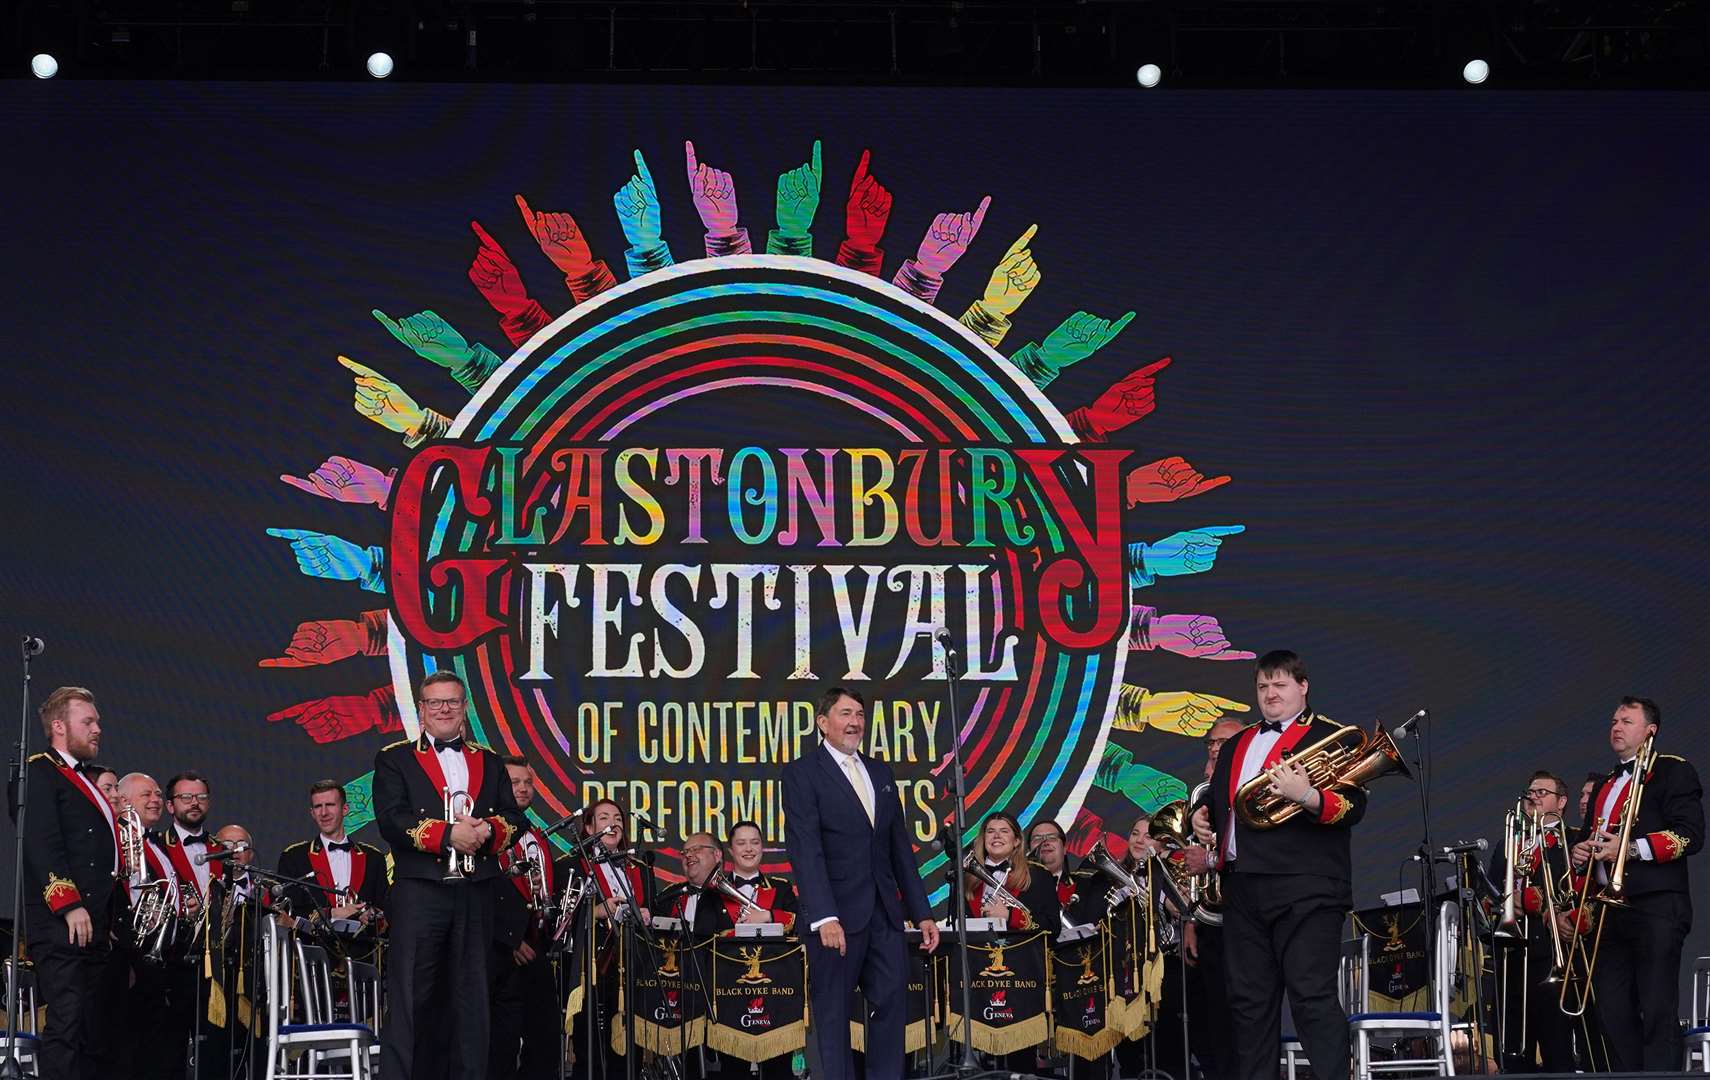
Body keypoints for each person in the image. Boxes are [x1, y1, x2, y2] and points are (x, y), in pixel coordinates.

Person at [1191, 650, 1366, 1080]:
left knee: (1311, 996)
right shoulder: (1236, 743)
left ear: (1303, 687)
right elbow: (1220, 806)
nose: (1270, 693)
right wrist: (1199, 817)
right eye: (1263, 686)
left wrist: (1305, 795)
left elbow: (1354, 806)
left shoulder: (1335, 736)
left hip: (1307, 887)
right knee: (1249, 1005)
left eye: (1280, 684)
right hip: (1243, 889)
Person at [373, 671, 526, 1080]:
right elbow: (390, 820)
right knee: (411, 998)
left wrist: (486, 831)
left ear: (464, 710)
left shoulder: (489, 760)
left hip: (476, 891)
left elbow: (515, 818)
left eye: (452, 702)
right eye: (435, 702)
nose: (444, 708)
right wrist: (449, 836)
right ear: (421, 710)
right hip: (421, 891)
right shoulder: (394, 758)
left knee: (472, 998)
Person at [782, 685, 939, 1080]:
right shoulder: (802, 773)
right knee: (832, 1015)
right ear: (823, 722)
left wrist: (921, 913)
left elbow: (899, 849)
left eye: (860, 715)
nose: (855, 722)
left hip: (885, 916)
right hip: (836, 918)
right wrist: (824, 916)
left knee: (891, 1008)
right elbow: (806, 849)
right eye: (846, 713)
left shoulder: (880, 772)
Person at [1567, 696, 1702, 1071]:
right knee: (1611, 1009)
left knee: (1657, 1006)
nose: (1616, 727)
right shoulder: (1606, 783)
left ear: (1650, 731)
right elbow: (1591, 840)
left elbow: (1690, 835)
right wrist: (1582, 855)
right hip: (1610, 912)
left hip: (1656, 905)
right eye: (1614, 720)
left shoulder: (1674, 771)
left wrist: (1630, 849)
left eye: (1626, 721)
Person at [17, 687, 122, 1080]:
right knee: (67, 1024)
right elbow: (41, 844)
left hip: (92, 925)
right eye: (89, 722)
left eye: (97, 722)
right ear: (59, 727)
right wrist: (68, 904)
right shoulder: (39, 772)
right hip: (63, 923)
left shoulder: (83, 780)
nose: (98, 729)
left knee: (90, 1033)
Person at [1488, 770, 1576, 1072]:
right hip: (1512, 957)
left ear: (1561, 801)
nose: (1533, 797)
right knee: (1512, 1050)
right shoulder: (1507, 843)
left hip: (1549, 953)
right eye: (1530, 792)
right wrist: (1505, 900)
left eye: (1542, 792)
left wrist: (1529, 900)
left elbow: (1571, 893)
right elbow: (1492, 892)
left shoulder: (1572, 840)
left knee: (1557, 1047)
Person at [489, 756, 567, 1080]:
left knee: (546, 1039)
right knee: (501, 1046)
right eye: (514, 782)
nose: (522, 788)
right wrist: (510, 939)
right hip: (500, 954)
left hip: (538, 950)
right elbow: (481, 892)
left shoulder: (537, 835)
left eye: (527, 782)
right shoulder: (486, 832)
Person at [574, 797, 655, 1080]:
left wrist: (645, 914)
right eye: (605, 818)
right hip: (595, 967)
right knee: (593, 1048)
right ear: (588, 827)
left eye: (618, 819)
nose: (613, 824)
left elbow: (653, 912)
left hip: (632, 967)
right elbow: (562, 917)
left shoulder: (637, 867)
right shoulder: (576, 864)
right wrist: (596, 910)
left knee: (629, 1049)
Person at [277, 779, 388, 922]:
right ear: (312, 813)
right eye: (318, 806)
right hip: (312, 944)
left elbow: (386, 909)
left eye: (330, 805)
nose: (324, 813)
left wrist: (370, 915)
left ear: (345, 809)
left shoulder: (373, 858)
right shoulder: (293, 857)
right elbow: (287, 909)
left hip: (361, 943)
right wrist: (332, 913)